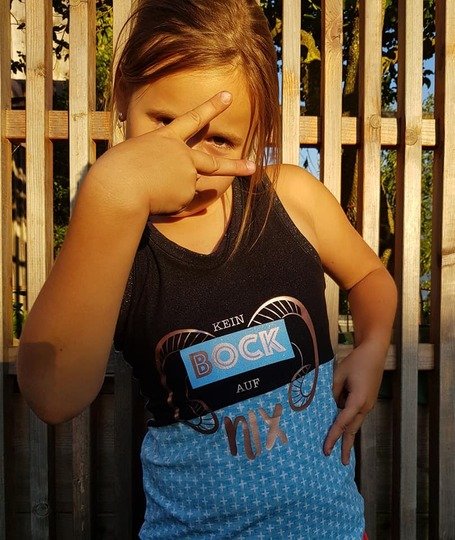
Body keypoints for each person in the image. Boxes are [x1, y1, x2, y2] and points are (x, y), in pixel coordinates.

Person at [17, 0, 397, 538]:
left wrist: (373, 346)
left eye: (219, 138)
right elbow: (52, 395)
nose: (189, 158)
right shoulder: (115, 246)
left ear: (255, 135)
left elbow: (370, 278)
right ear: (123, 95)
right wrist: (110, 191)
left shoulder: (291, 199)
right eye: (165, 123)